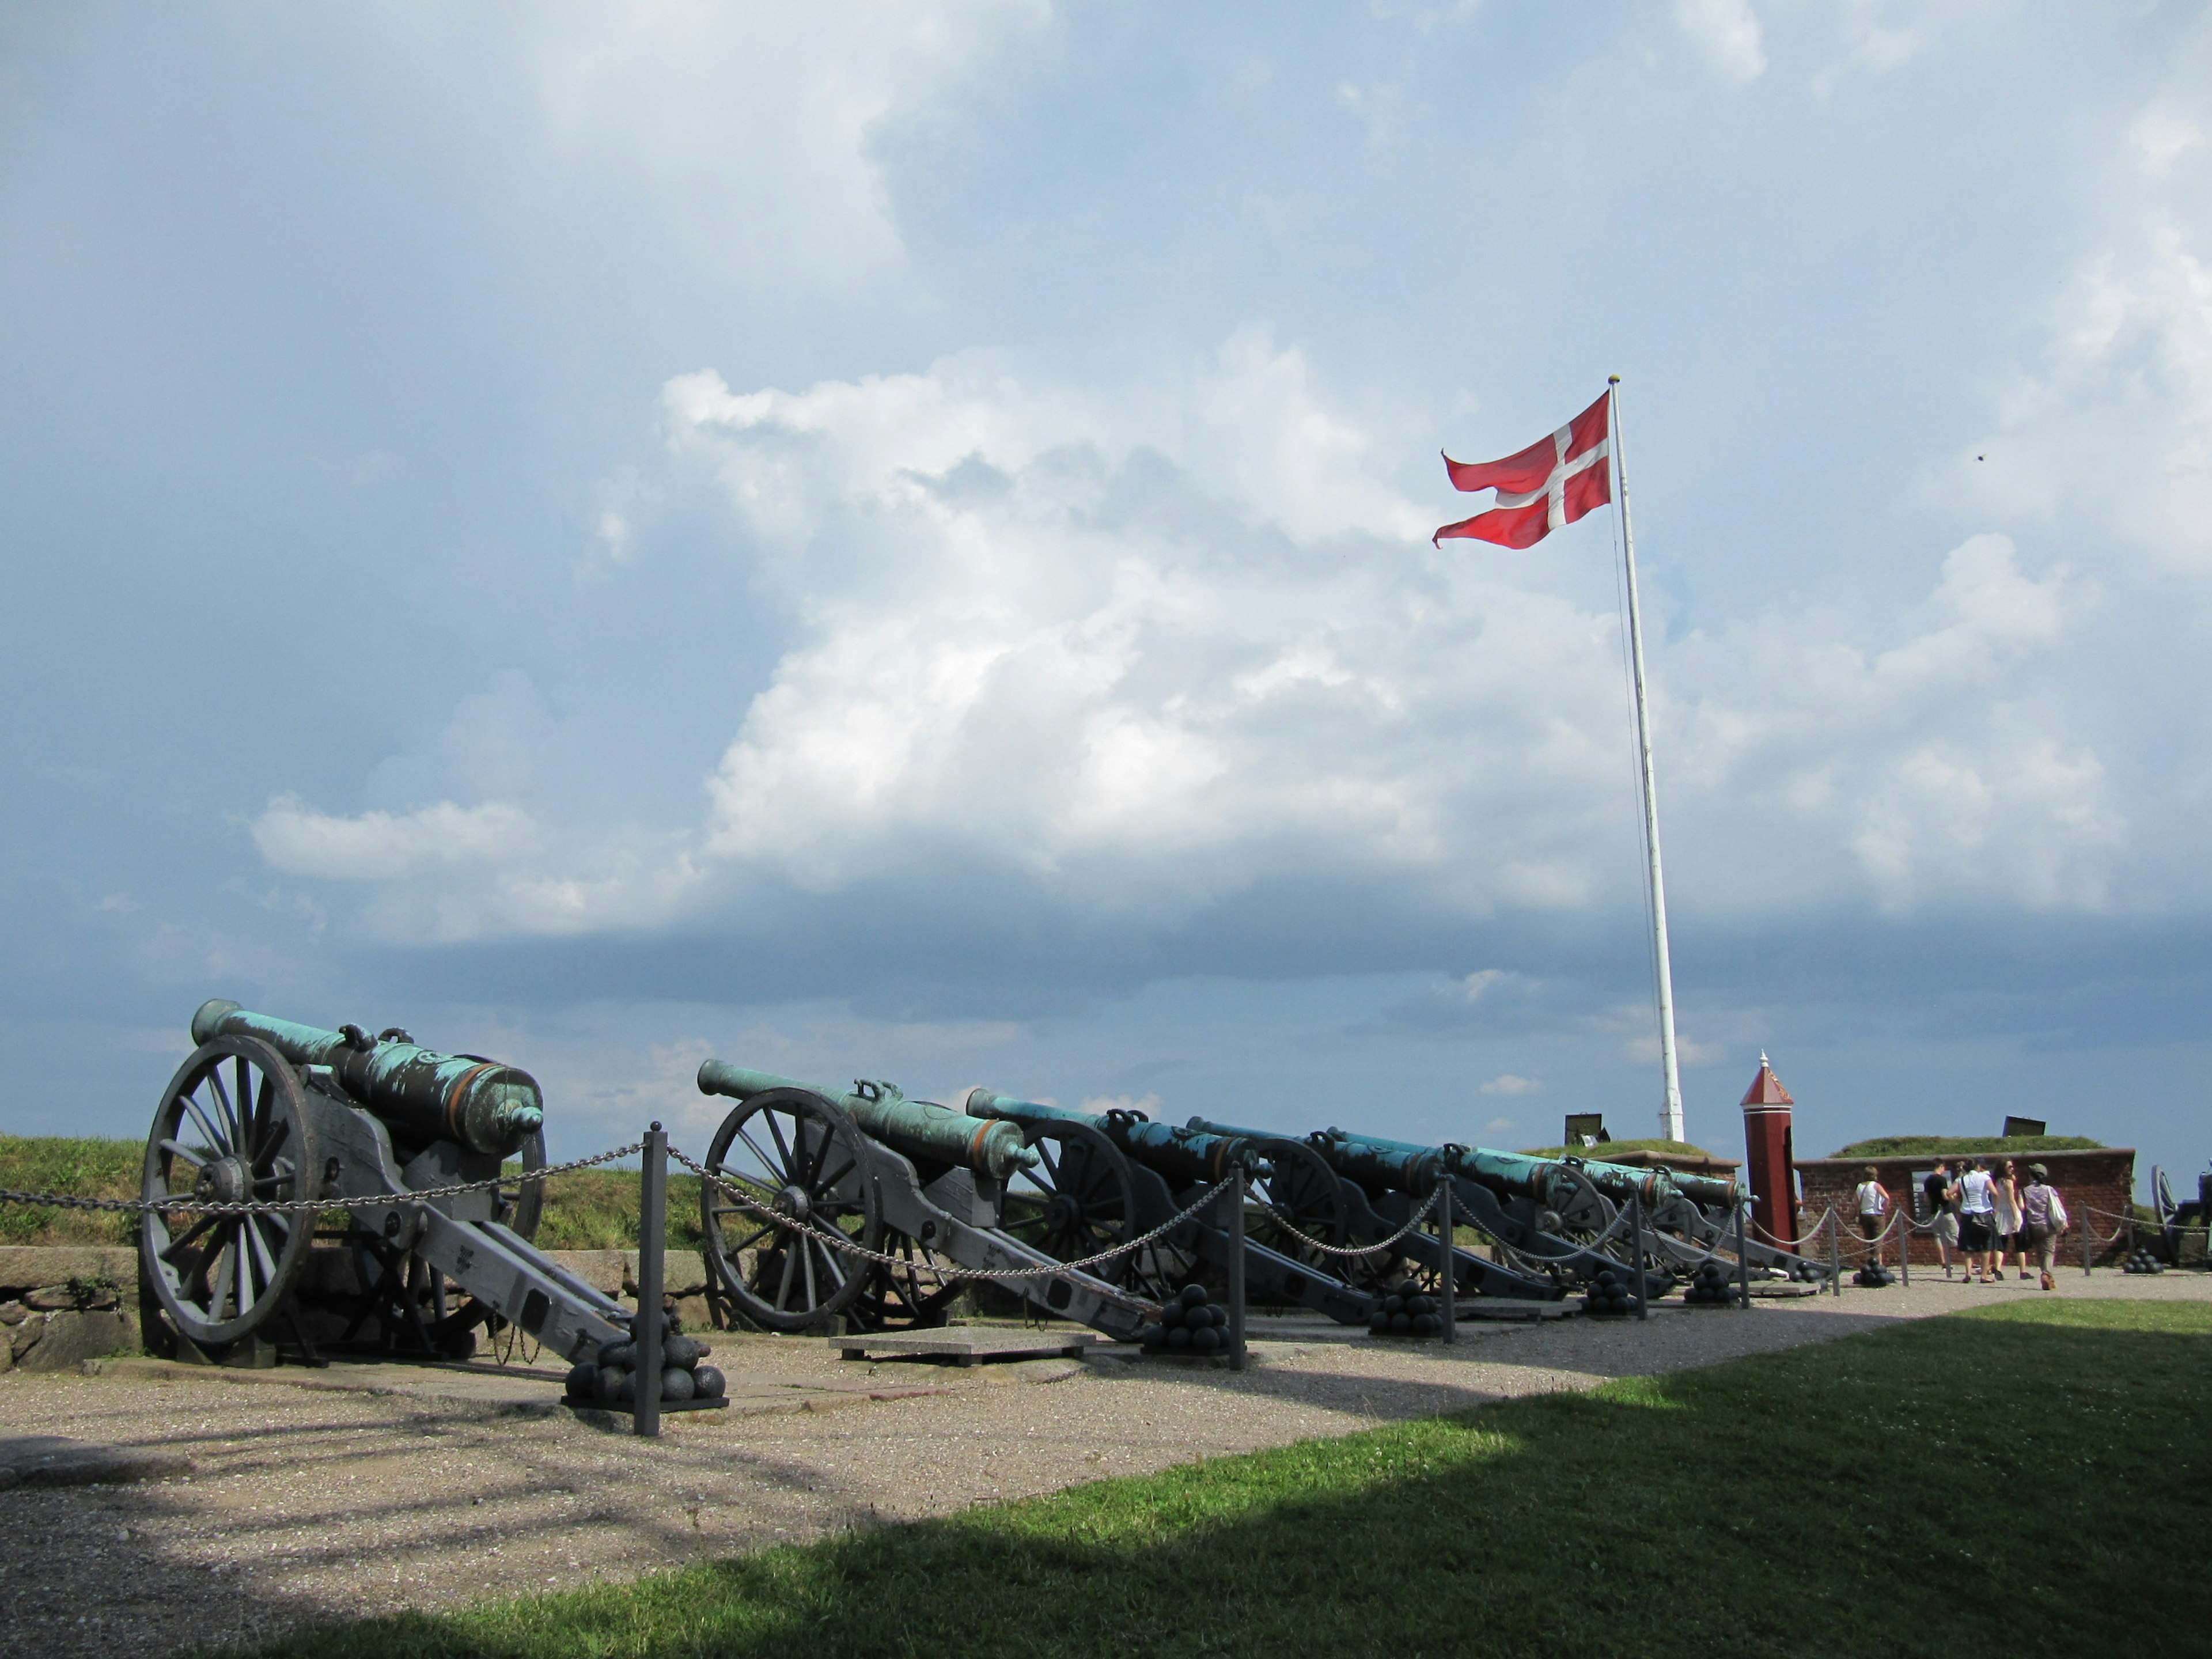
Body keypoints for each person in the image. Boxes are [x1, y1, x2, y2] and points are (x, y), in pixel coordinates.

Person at [2018, 1163, 2069, 1291]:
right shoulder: (2049, 1190)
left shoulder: (2024, 1191)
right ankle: (2046, 1274)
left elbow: (2021, 1207)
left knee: (2040, 1252)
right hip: (2048, 1225)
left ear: (2031, 1176)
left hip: (2032, 1225)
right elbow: (2057, 1207)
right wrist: (2064, 1222)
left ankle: (2046, 1276)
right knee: (2049, 1251)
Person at [1957, 1157, 1999, 1282]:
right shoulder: (1984, 1178)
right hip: (1984, 1213)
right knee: (1986, 1246)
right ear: (1978, 1167)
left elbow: (1950, 1193)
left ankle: (1968, 1274)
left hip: (1967, 1214)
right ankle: (1984, 1275)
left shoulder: (1962, 1180)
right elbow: (1995, 1193)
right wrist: (1994, 1208)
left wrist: (1959, 1205)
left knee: (1968, 1246)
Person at [1923, 1161, 1960, 1277]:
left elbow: (1926, 1199)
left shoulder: (1928, 1180)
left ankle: (1944, 1262)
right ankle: (1966, 1259)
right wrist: (1954, 1199)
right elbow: (1945, 1195)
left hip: (1934, 1212)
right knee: (1957, 1233)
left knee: (1938, 1236)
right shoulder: (1942, 1180)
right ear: (1941, 1167)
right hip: (1945, 1211)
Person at [1993, 1159, 2026, 1280]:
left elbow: (1995, 1199)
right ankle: (2023, 1271)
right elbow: (2012, 1201)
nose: (2012, 1169)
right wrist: (2017, 1218)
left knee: (2002, 1243)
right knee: (2019, 1242)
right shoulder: (2008, 1183)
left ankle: (1998, 1269)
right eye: (2010, 1167)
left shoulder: (1997, 1182)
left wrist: (1995, 1212)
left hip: (2000, 1212)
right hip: (2010, 1211)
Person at [1854, 1165, 1891, 1267]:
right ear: (1875, 1175)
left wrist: (1858, 1213)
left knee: (1869, 1240)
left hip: (1864, 1215)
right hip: (1877, 1215)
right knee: (1878, 1241)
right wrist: (1884, 1209)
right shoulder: (1876, 1186)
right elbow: (1887, 1198)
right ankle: (1879, 1265)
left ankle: (1869, 1264)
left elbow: (1856, 1203)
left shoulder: (1860, 1187)